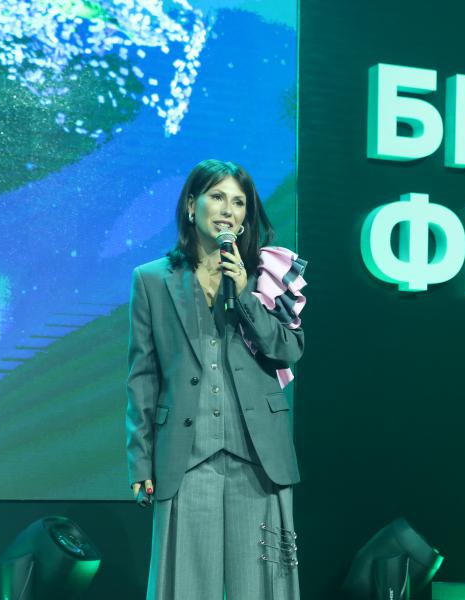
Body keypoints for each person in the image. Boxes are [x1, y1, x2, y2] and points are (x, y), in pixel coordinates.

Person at [126, 159, 308, 599]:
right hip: (186, 458)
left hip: (258, 457)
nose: (228, 209)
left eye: (239, 202)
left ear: (245, 217)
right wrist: (140, 460)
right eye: (217, 197)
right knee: (185, 587)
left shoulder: (267, 276)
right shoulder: (151, 280)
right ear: (192, 205)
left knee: (261, 587)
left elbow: (288, 350)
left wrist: (246, 294)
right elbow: (143, 376)